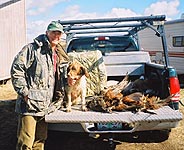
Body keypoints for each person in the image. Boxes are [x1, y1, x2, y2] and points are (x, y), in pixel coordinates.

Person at [11, 21, 69, 150]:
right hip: (30, 105)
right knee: (26, 142)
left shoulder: (59, 54)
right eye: (54, 32)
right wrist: (25, 93)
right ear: (47, 32)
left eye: (59, 33)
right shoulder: (32, 49)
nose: (56, 36)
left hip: (46, 105)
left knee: (40, 141)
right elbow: (17, 70)